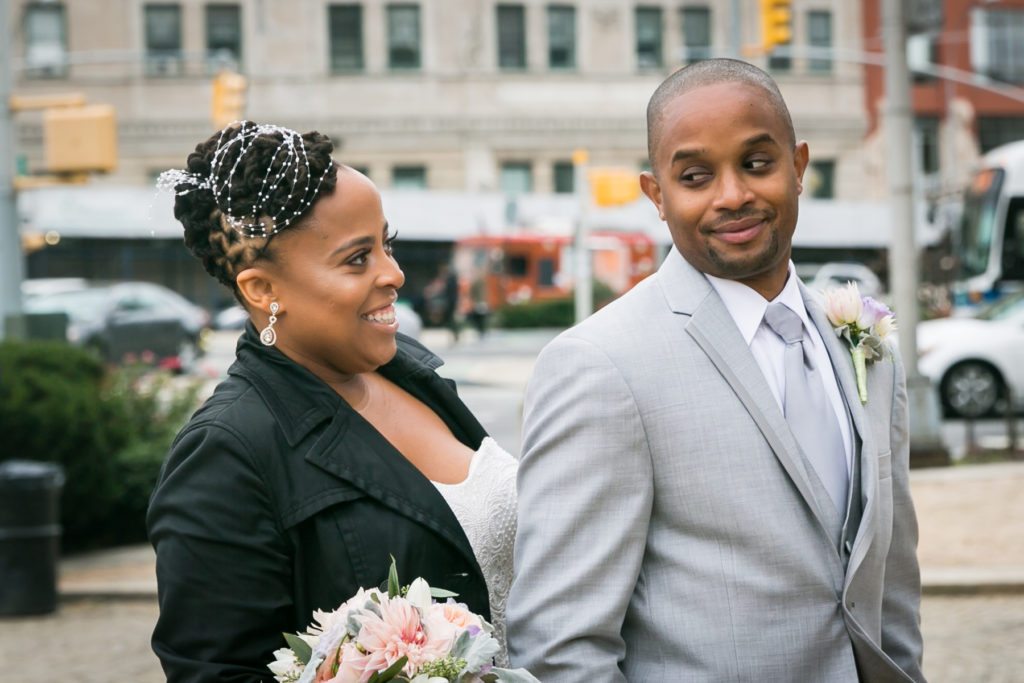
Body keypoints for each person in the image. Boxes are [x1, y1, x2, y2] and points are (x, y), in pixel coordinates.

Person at [507, 59, 925, 682]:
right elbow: (558, 648)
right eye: (697, 176)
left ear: (799, 166)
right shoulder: (599, 366)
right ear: (657, 195)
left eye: (757, 164)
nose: (733, 196)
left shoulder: (863, 343)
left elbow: (890, 584)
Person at [148, 122, 518, 681]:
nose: (393, 274)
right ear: (262, 290)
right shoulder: (227, 453)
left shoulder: (414, 374)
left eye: (385, 245)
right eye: (356, 259)